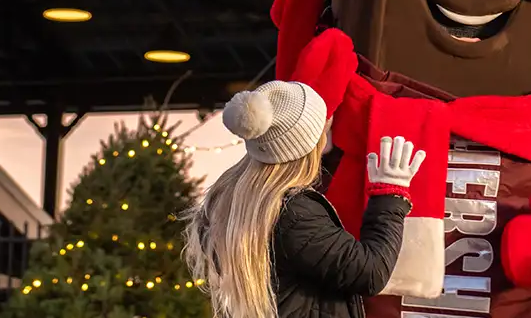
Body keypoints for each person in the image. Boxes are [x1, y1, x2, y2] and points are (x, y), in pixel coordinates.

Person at [182, 80, 426, 318]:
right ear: (309, 144)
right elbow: (371, 273)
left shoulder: (230, 199)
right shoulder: (294, 213)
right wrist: (391, 194)